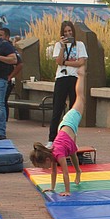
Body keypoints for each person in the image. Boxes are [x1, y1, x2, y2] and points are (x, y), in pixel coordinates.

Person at [30, 68, 88, 196]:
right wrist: (52, 187)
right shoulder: (52, 156)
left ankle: (81, 76)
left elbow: (65, 173)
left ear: (46, 160)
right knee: (72, 152)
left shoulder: (58, 154)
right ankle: (79, 172)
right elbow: (54, 172)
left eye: (42, 166)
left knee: (80, 98)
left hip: (69, 121)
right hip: (65, 133)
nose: (43, 169)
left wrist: (67, 191)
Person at [48, 20, 88, 143]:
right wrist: (62, 47)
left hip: (74, 78)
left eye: (69, 31)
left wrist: (66, 62)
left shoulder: (80, 45)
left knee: (73, 109)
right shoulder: (58, 45)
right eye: (65, 32)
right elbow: (58, 61)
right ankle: (52, 139)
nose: (68, 34)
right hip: (61, 78)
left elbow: (81, 62)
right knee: (57, 109)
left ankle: (71, 139)